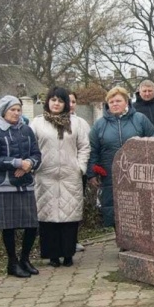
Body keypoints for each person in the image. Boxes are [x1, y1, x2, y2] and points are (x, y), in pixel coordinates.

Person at [30, 87, 90, 267]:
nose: (56, 104)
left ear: (66, 104)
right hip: (45, 176)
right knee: (48, 218)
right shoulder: (37, 123)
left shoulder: (77, 123)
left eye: (60, 101)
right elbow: (31, 147)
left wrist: (80, 167)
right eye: (53, 100)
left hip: (70, 176)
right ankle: (52, 255)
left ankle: (68, 254)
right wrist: (35, 166)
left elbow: (84, 147)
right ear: (48, 101)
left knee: (69, 217)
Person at [0, 96, 42, 278]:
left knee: (31, 225)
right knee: (9, 226)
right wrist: (16, 163)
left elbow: (36, 154)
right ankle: (12, 262)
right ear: (3, 111)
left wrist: (29, 165)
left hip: (25, 184)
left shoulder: (26, 130)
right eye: (12, 110)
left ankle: (25, 259)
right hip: (4, 186)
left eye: (18, 110)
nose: (16, 113)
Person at [88, 87, 154, 228]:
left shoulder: (140, 119)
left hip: (138, 173)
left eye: (118, 100)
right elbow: (93, 149)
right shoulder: (100, 125)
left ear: (126, 102)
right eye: (111, 101)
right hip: (110, 174)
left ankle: (140, 242)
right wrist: (92, 173)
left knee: (140, 209)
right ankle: (121, 241)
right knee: (115, 210)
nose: (114, 104)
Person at [69, 92, 89, 253]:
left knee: (74, 206)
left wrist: (81, 167)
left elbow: (87, 146)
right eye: (67, 101)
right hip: (56, 173)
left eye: (74, 101)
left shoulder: (81, 123)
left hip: (76, 172)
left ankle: (74, 238)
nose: (70, 104)